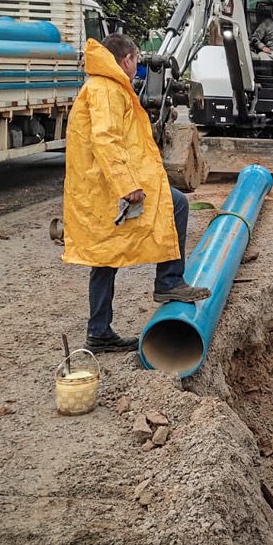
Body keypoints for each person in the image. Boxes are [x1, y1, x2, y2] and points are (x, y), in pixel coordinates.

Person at [61, 33, 209, 353]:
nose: (139, 66)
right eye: (137, 60)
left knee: (105, 256)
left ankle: (99, 331)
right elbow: (106, 140)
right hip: (109, 186)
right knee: (177, 204)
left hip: (103, 186)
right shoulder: (107, 91)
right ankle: (168, 282)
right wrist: (128, 185)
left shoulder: (107, 87)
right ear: (126, 60)